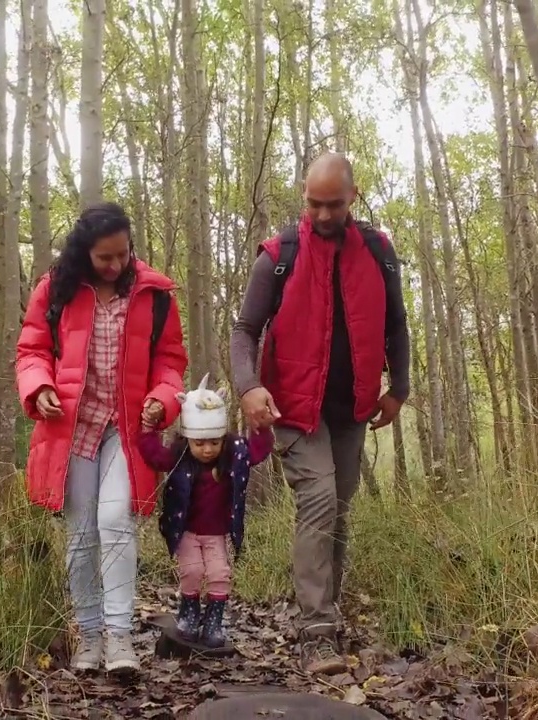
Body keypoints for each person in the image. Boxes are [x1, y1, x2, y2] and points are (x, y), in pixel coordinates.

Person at [228, 152, 411, 675]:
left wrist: (398, 388)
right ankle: (316, 634)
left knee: (339, 511)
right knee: (319, 500)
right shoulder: (278, 255)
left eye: (333, 204)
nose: (323, 214)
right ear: (303, 196)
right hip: (291, 405)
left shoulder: (378, 253)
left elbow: (396, 325)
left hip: (351, 406)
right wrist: (249, 387)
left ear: (353, 196)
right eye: (314, 203)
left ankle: (325, 615)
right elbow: (245, 331)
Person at [16, 201, 189, 673]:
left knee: (115, 521)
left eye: (123, 254)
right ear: (84, 253)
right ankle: (88, 637)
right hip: (71, 427)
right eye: (104, 258)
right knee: (81, 533)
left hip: (127, 430)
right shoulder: (56, 290)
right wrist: (40, 387)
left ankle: (120, 640)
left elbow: (171, 361)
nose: (116, 265)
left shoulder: (154, 294)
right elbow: (31, 350)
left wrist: (163, 397)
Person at [136, 374, 274, 649]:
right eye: (199, 443)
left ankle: (214, 620)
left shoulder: (233, 455)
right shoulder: (179, 457)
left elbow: (257, 452)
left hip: (217, 532)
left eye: (214, 442)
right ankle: (189, 613)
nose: (207, 449)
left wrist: (261, 428)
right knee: (192, 571)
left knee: (219, 573)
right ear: (188, 439)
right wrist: (148, 430)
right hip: (187, 530)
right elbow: (154, 456)